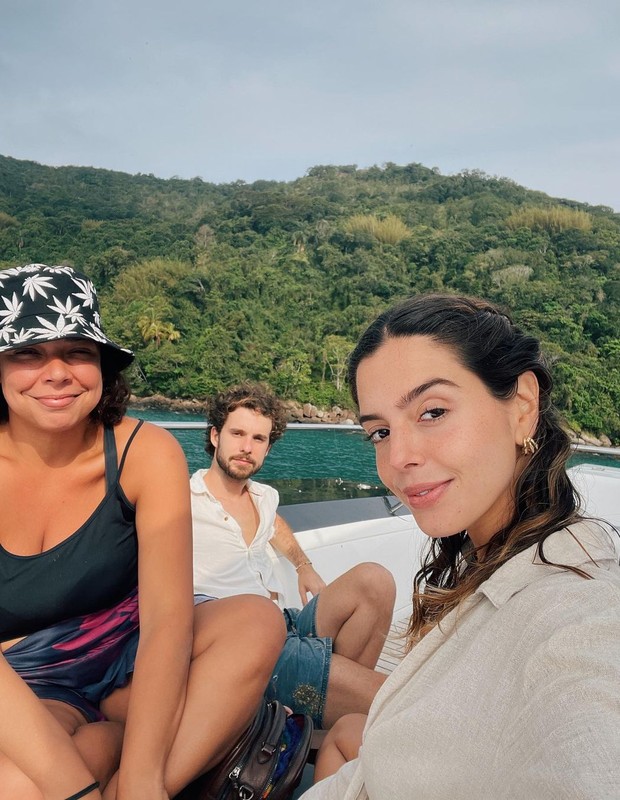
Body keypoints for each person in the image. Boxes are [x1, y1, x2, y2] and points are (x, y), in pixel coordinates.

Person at [301, 294, 620, 799]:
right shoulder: (491, 561)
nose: (399, 457)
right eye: (379, 431)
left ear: (521, 407)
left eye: (432, 412)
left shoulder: (579, 615)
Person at [0, 264, 285, 799]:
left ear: (102, 366)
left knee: (256, 620)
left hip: (127, 649)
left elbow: (167, 621)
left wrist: (145, 780)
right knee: (20, 783)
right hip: (26, 680)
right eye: (28, 353)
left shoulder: (142, 451)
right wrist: (78, 789)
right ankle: (108, 751)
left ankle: (134, 777)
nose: (56, 372)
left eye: (78, 352)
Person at [191, 382, 396, 730]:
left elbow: (274, 527)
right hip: (244, 644)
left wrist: (304, 566)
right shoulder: (182, 501)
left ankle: (325, 714)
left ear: (268, 448)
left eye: (259, 439)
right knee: (392, 699)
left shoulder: (263, 497)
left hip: (283, 621)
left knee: (374, 581)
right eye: (237, 433)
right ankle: (335, 708)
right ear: (215, 436)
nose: (246, 447)